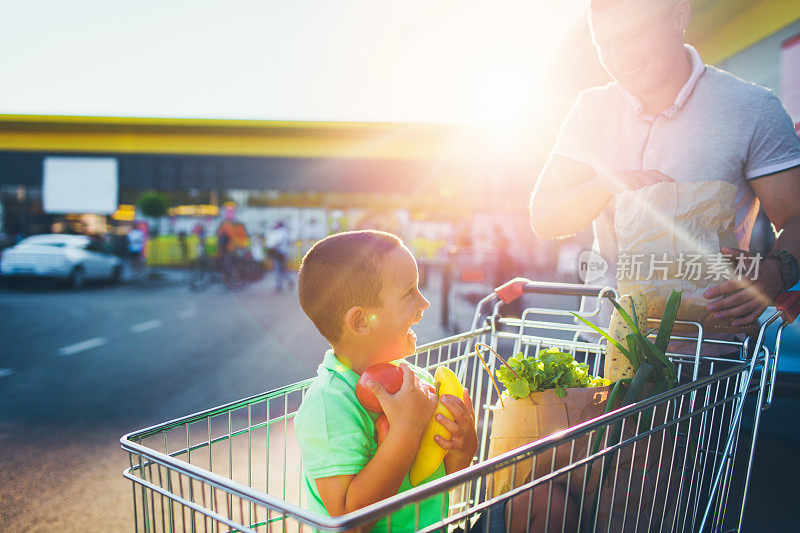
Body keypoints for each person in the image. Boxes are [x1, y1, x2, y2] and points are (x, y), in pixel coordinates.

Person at [530, 0, 800, 330]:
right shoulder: (590, 109)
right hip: (604, 345)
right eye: (605, 44)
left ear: (679, 16)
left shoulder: (753, 109)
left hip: (708, 354)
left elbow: (796, 217)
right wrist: (607, 184)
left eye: (633, 35)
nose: (618, 57)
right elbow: (545, 217)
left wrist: (775, 271)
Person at [294, 230, 574, 532]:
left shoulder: (418, 381)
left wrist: (463, 446)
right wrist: (407, 428)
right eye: (410, 292)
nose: (425, 303)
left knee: (546, 502)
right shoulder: (330, 405)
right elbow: (348, 522)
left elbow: (441, 479)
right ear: (362, 322)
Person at [267, 221, 293, 291]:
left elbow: (277, 242)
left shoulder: (281, 232)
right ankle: (289, 280)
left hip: (278, 253)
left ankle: (278, 285)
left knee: (278, 269)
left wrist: (272, 248)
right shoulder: (286, 232)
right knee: (282, 269)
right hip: (284, 253)